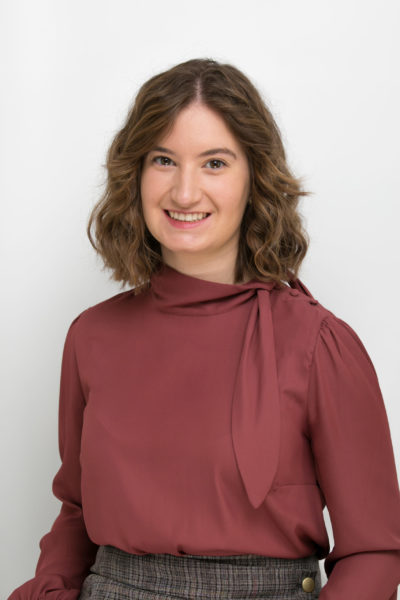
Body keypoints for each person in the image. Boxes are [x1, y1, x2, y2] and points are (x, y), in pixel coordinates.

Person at [8, 57, 400, 600]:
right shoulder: (91, 337)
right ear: (136, 174)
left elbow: (373, 553)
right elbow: (77, 512)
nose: (185, 193)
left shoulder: (319, 345)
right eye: (163, 160)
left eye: (214, 163)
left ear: (255, 177)